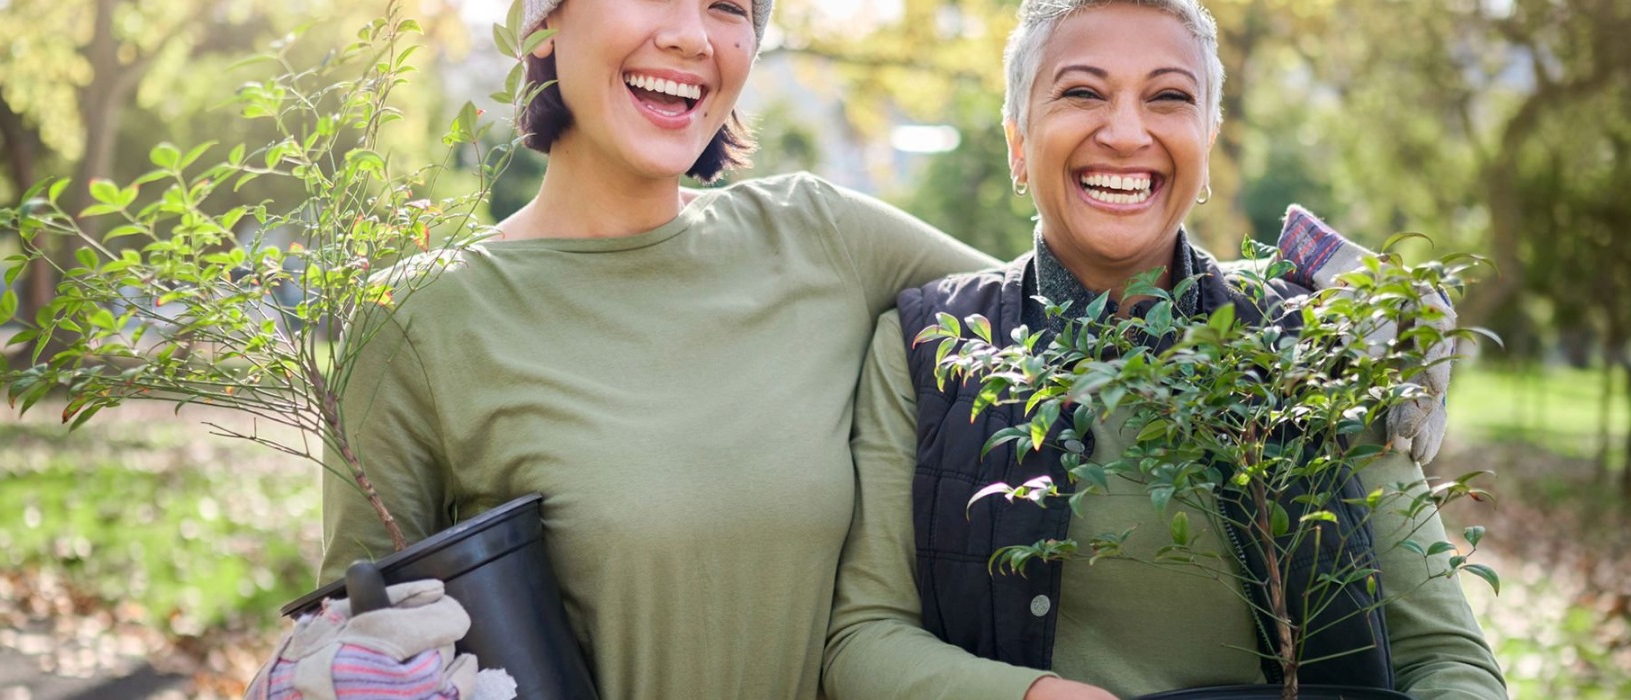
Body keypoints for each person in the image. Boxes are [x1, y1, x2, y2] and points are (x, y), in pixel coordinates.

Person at [300, 1, 1448, 698]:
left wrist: (1337, 304)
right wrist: (322, 676)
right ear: (544, 17)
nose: (692, 38)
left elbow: (1093, 276)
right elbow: (358, 630)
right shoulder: (419, 321)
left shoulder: (822, 236)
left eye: (731, 5)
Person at [819, 2, 1506, 699]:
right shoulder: (930, 346)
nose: (1125, 133)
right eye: (1082, 92)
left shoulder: (1316, 344)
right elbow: (865, 638)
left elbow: (1446, 658)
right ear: (1017, 143)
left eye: (1169, 97)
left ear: (1208, 143)